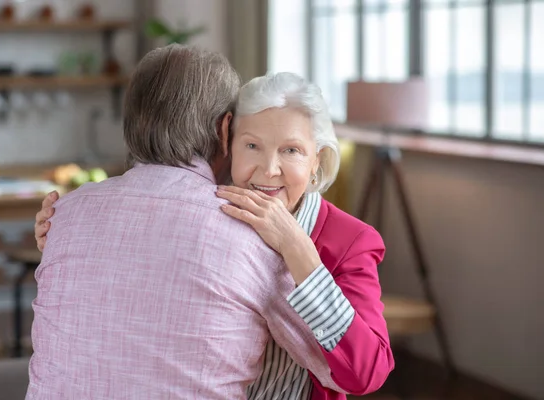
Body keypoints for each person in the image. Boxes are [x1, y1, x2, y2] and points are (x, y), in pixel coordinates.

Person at [35, 67, 394, 399]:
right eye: (252, 146)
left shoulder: (350, 241)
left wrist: (298, 251)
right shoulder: (209, 212)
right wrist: (63, 233)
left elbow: (367, 373)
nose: (269, 170)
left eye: (292, 151)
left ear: (318, 159)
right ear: (227, 142)